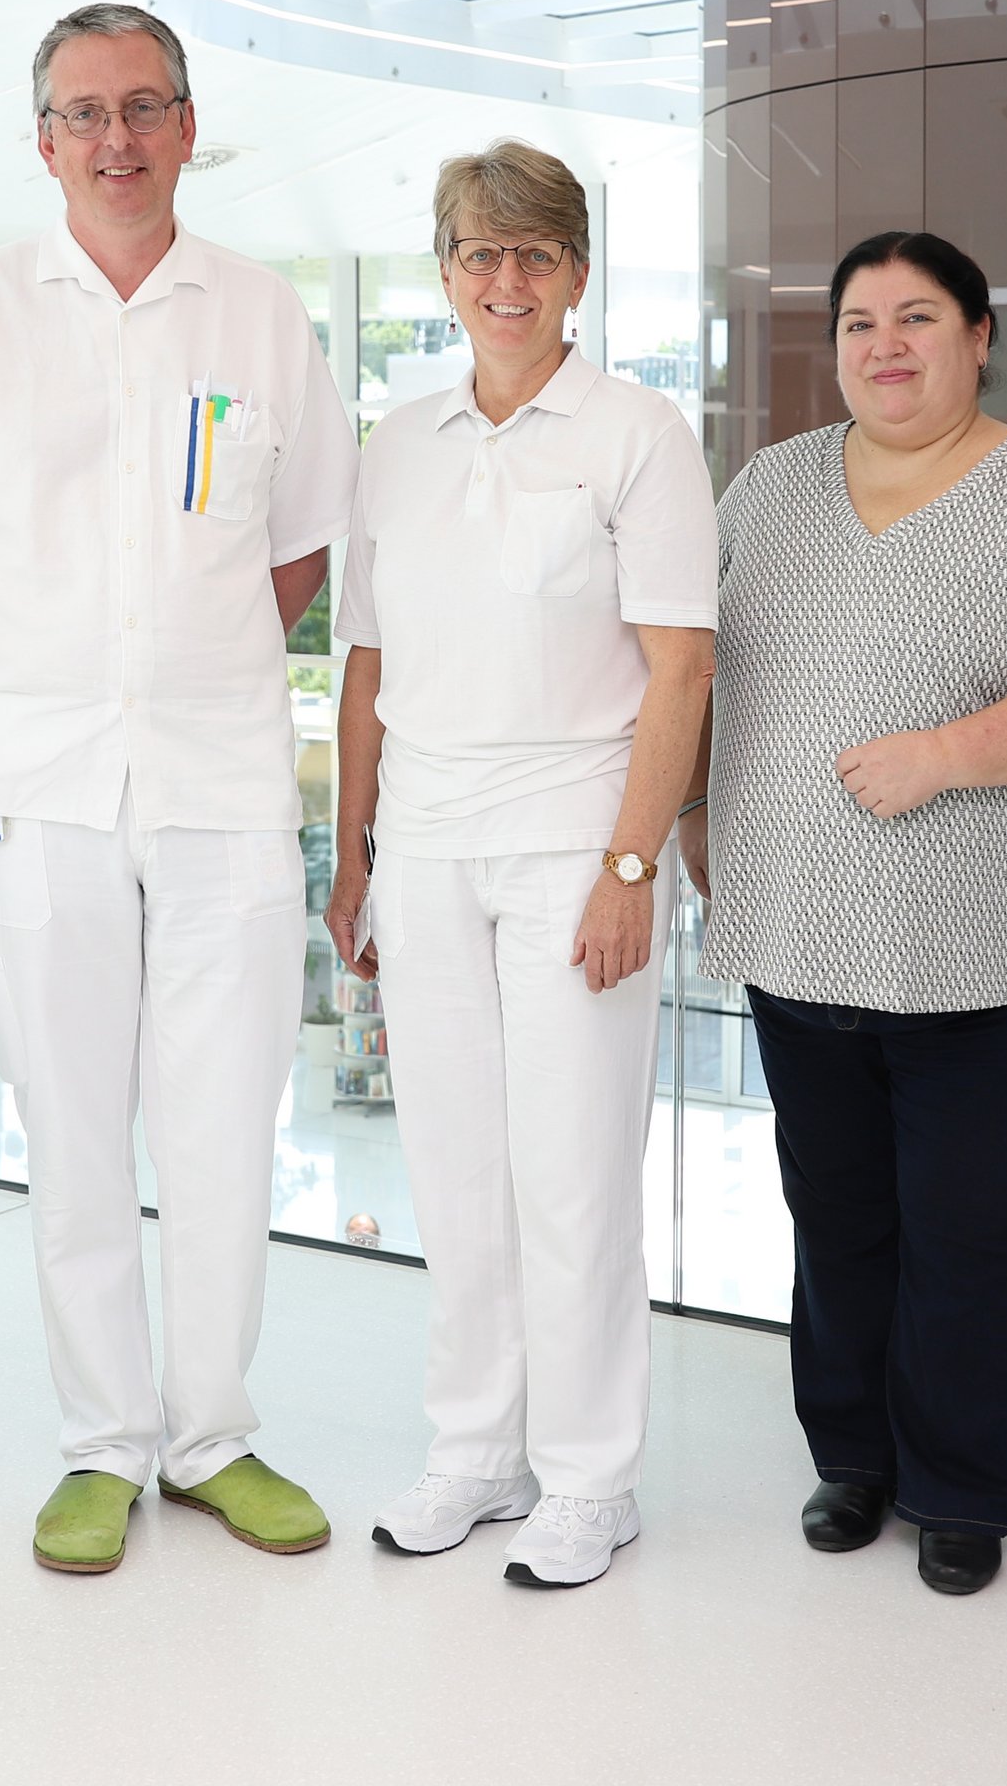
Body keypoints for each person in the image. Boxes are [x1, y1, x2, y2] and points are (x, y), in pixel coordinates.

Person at [0, 4, 355, 1576]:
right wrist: (39, 683)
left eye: (145, 106)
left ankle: (211, 1435)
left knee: (222, 1127)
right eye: (84, 113)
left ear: (190, 126)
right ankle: (102, 1445)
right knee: (73, 1133)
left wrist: (188, 668)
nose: (117, 137)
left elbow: (298, 547)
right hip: (37, 788)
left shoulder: (263, 314)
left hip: (218, 780)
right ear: (44, 142)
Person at [685, 229, 1007, 1598]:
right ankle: (856, 1458)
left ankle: (961, 1488)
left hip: (989, 941)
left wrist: (945, 754)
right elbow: (694, 666)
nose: (884, 347)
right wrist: (696, 815)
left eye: (916, 318)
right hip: (799, 923)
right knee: (836, 1215)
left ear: (978, 339)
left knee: (974, 1227)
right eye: (858, 325)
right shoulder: (769, 488)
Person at [323, 141, 714, 1590]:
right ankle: (476, 1452)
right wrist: (354, 850)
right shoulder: (398, 444)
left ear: (578, 276)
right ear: (444, 277)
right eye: (480, 257)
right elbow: (367, 661)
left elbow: (681, 670)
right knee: (457, 1168)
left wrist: (631, 867)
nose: (506, 282)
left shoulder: (634, 434)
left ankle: (590, 1476)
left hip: (570, 844)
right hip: (424, 846)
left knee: (573, 1175)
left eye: (533, 256)